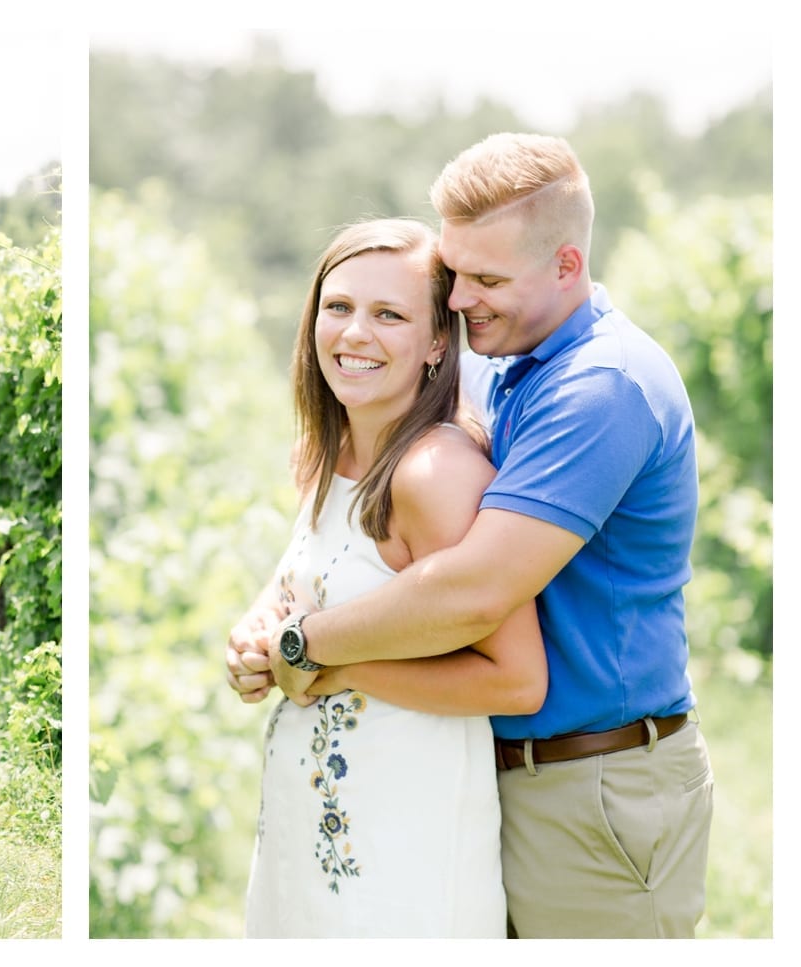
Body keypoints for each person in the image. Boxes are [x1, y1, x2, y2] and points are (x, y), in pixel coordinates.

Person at [230, 133, 714, 939]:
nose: (459, 304)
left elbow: (471, 590)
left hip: (594, 781)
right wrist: (271, 620)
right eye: (455, 277)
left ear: (566, 266)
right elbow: (345, 539)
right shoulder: (498, 355)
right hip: (496, 768)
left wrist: (307, 648)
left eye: (485, 280)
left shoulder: (602, 387)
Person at [235, 217, 547, 938]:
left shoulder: (437, 474)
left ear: (439, 341)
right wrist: (254, 636)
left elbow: (516, 678)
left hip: (401, 844)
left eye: (389, 315)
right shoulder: (324, 451)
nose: (354, 333)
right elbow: (311, 588)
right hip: (299, 835)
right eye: (338, 307)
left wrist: (344, 669)